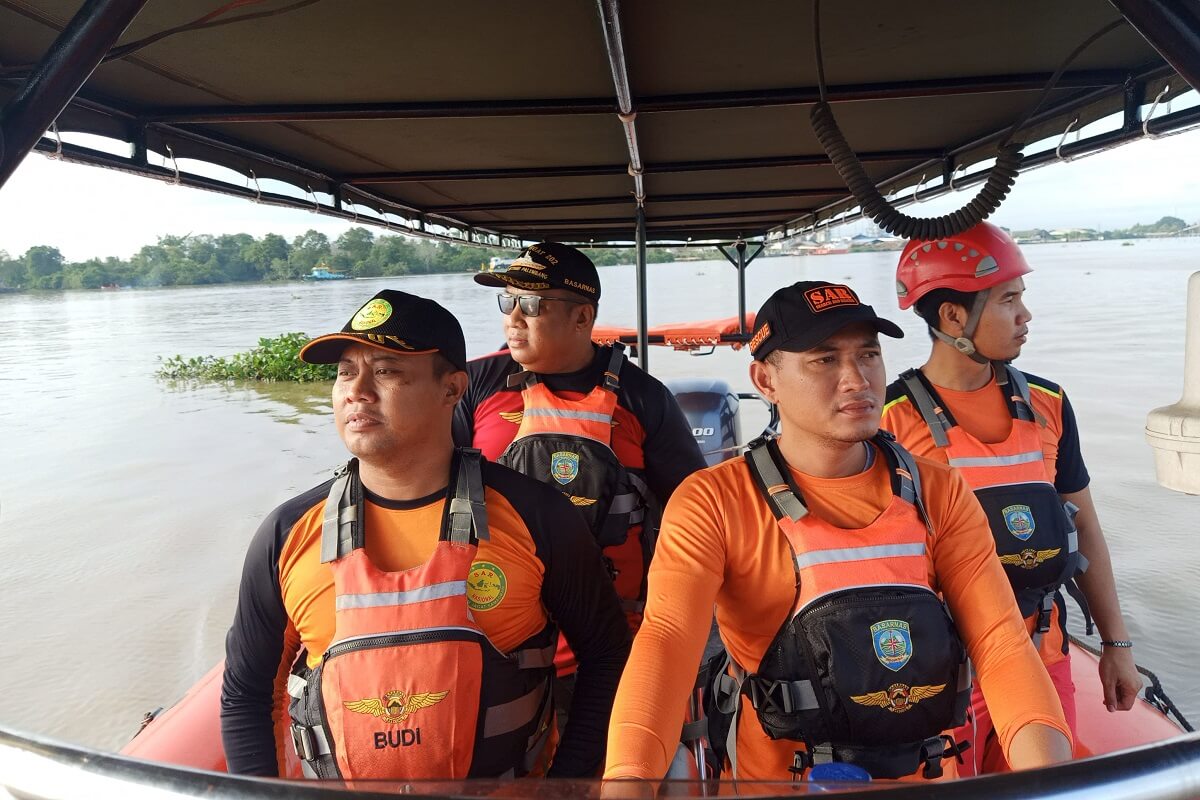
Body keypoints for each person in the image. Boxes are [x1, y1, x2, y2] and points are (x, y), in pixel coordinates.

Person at [604, 281, 1072, 785]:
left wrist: (1053, 780)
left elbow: (1000, 641)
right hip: (779, 781)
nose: (857, 379)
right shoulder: (713, 501)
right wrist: (628, 779)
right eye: (824, 360)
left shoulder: (939, 491)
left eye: (868, 355)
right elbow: (669, 642)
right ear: (765, 380)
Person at [220, 289, 629, 781]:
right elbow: (245, 694)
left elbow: (606, 656)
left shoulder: (536, 517)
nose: (357, 390)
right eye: (345, 372)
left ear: (453, 390)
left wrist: (567, 787)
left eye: (387, 371)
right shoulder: (287, 535)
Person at [883, 222, 1139, 774]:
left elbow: (1085, 526)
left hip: (1044, 654)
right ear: (953, 317)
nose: (1026, 315)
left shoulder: (1049, 402)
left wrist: (1117, 644)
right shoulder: (889, 421)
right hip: (943, 667)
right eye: (1009, 300)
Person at [455, 242, 706, 708]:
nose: (513, 318)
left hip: (613, 640)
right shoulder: (474, 386)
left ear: (582, 318)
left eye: (531, 304)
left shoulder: (643, 399)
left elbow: (694, 515)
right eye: (506, 300)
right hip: (498, 640)